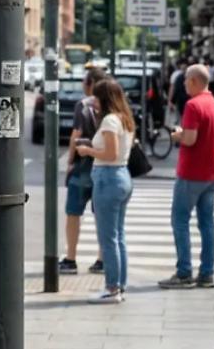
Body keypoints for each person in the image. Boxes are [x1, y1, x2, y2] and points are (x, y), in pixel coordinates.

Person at [159, 65, 214, 289]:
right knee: (207, 223)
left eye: (187, 80)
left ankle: (184, 272)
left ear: (196, 81)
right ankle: (207, 273)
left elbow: (189, 139)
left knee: (179, 220)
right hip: (212, 173)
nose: (184, 84)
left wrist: (177, 135)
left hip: (191, 173)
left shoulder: (193, 105)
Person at [76, 79, 136, 304]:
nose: (94, 101)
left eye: (97, 97)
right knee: (118, 236)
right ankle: (119, 285)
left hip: (109, 177)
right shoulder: (124, 118)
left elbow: (110, 153)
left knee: (108, 237)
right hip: (121, 176)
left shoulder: (110, 121)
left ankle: (112, 288)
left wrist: (87, 150)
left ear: (104, 98)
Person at [59, 67, 105, 276]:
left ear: (90, 84)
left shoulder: (83, 104)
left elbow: (75, 135)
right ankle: (102, 259)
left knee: (73, 213)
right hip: (104, 165)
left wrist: (70, 161)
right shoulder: (111, 106)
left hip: (83, 166)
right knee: (101, 215)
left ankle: (71, 259)